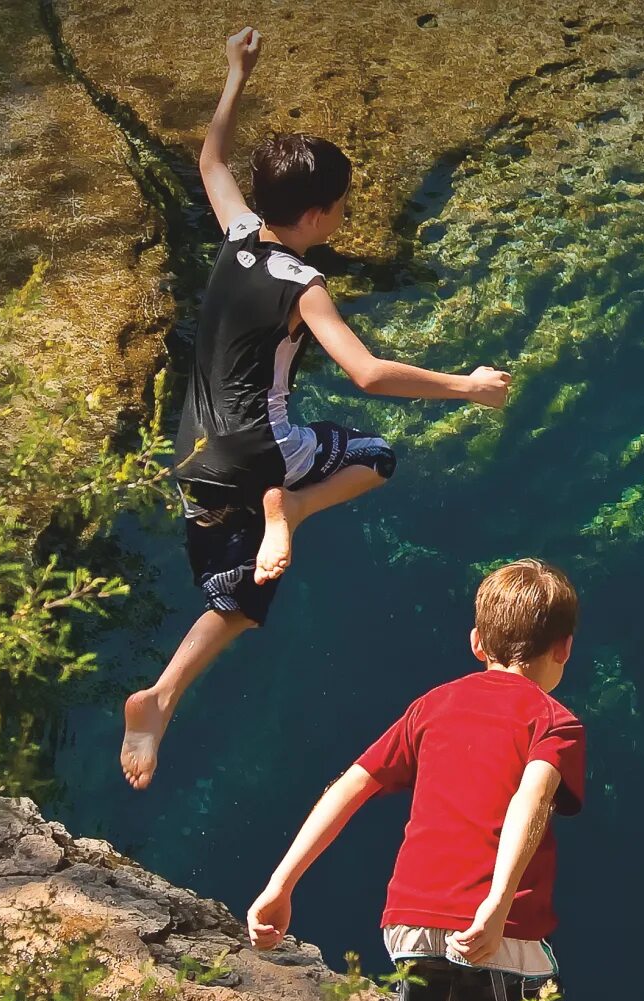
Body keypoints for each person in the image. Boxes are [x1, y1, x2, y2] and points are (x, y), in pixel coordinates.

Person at [120, 26, 513, 790]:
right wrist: (468, 386)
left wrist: (235, 74)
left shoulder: (237, 234)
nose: (340, 219)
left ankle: (161, 696)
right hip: (266, 453)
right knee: (375, 458)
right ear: (318, 213)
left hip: (194, 456)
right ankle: (291, 510)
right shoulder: (305, 285)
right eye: (339, 209)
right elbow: (366, 372)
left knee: (238, 595)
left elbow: (210, 162)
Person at [246, 559, 610, 1001]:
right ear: (565, 649)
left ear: (476, 643)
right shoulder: (556, 722)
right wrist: (495, 906)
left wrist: (280, 884)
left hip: (409, 921)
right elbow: (533, 799)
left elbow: (351, 787)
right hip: (502, 930)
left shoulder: (431, 706)